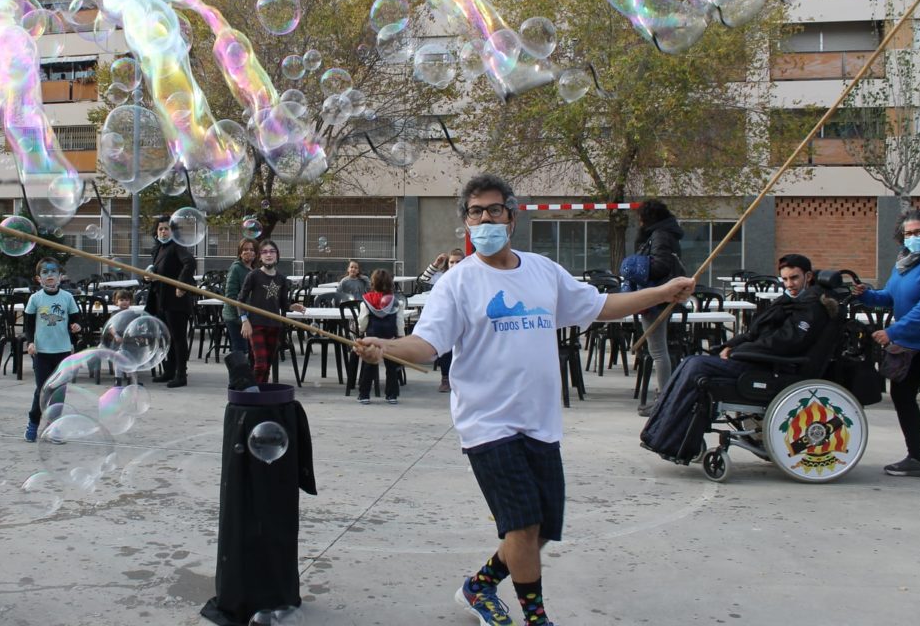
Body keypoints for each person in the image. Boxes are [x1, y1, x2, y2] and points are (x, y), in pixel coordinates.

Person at [355, 174, 693, 626]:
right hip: (487, 423)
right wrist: (387, 348)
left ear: (511, 217)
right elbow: (426, 344)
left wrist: (662, 292)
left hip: (540, 421)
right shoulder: (456, 283)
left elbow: (601, 305)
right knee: (523, 527)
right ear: (466, 224)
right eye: (476, 212)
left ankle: (479, 587)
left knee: (539, 531)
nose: (485, 218)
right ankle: (537, 619)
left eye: (494, 210)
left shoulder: (543, 271)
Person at [640, 254, 833, 463]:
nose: (789, 284)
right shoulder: (789, 301)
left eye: (794, 278)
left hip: (775, 368)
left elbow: (785, 343)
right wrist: (730, 344)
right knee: (690, 362)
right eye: (785, 279)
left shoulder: (812, 308)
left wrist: (738, 351)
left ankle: (667, 438)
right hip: (758, 359)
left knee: (696, 366)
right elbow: (755, 333)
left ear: (809, 276)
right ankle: (660, 434)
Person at [853, 208, 920, 477]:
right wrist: (868, 295)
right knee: (903, 395)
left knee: (903, 394)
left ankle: (918, 458)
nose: (915, 237)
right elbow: (891, 296)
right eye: (909, 233)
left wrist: (893, 332)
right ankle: (917, 457)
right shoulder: (906, 263)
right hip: (911, 343)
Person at [629, 199, 686, 416]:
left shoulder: (659, 236)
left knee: (658, 351)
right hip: (660, 296)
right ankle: (664, 397)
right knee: (659, 350)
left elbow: (661, 265)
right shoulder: (666, 233)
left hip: (656, 297)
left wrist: (639, 268)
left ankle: (664, 400)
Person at [23, 256, 82, 443]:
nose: (50, 275)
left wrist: (76, 328)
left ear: (60, 276)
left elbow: (76, 319)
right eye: (45, 272)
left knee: (58, 391)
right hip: (41, 353)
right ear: (38, 278)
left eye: (53, 272)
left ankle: (53, 428)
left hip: (62, 351)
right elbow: (28, 325)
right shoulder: (35, 299)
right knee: (42, 390)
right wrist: (30, 342)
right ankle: (33, 423)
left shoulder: (67, 297)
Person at [240, 240, 306, 384]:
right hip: (256, 325)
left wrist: (292, 307)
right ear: (259, 257)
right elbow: (240, 300)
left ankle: (262, 395)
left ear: (277, 255)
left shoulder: (282, 279)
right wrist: (244, 320)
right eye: (264, 252)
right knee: (260, 365)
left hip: (274, 326)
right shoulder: (253, 276)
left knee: (267, 366)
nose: (268, 255)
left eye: (272, 251)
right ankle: (253, 394)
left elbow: (283, 304)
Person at [144, 216, 196, 388]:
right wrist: (147, 277)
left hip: (176, 301)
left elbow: (190, 263)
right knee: (167, 339)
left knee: (178, 338)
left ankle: (181, 374)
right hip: (161, 300)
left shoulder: (177, 247)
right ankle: (169, 371)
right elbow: (158, 274)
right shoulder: (159, 249)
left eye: (167, 228)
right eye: (160, 229)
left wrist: (181, 284)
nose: (163, 231)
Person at [356, 268, 406, 404]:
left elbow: (363, 321)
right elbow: (399, 322)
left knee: (369, 366)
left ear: (372, 283)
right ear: (390, 283)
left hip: (372, 339)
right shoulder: (397, 302)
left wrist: (362, 331)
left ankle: (364, 394)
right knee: (392, 368)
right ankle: (392, 395)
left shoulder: (366, 301)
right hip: (390, 339)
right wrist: (401, 337)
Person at [434, 249, 466, 393]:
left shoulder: (469, 276)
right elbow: (423, 280)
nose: (455, 265)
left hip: (465, 319)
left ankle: (463, 379)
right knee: (445, 351)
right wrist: (436, 264)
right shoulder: (443, 277)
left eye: (458, 262)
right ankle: (445, 378)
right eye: (452, 262)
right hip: (447, 319)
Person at [223, 238, 259, 354]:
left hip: (250, 316)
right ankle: (238, 372)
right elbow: (231, 296)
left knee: (250, 351)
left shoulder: (254, 269)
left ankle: (247, 372)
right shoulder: (236, 269)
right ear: (240, 252)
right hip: (235, 317)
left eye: (252, 249)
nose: (248, 252)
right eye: (245, 249)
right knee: (240, 350)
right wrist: (243, 319)